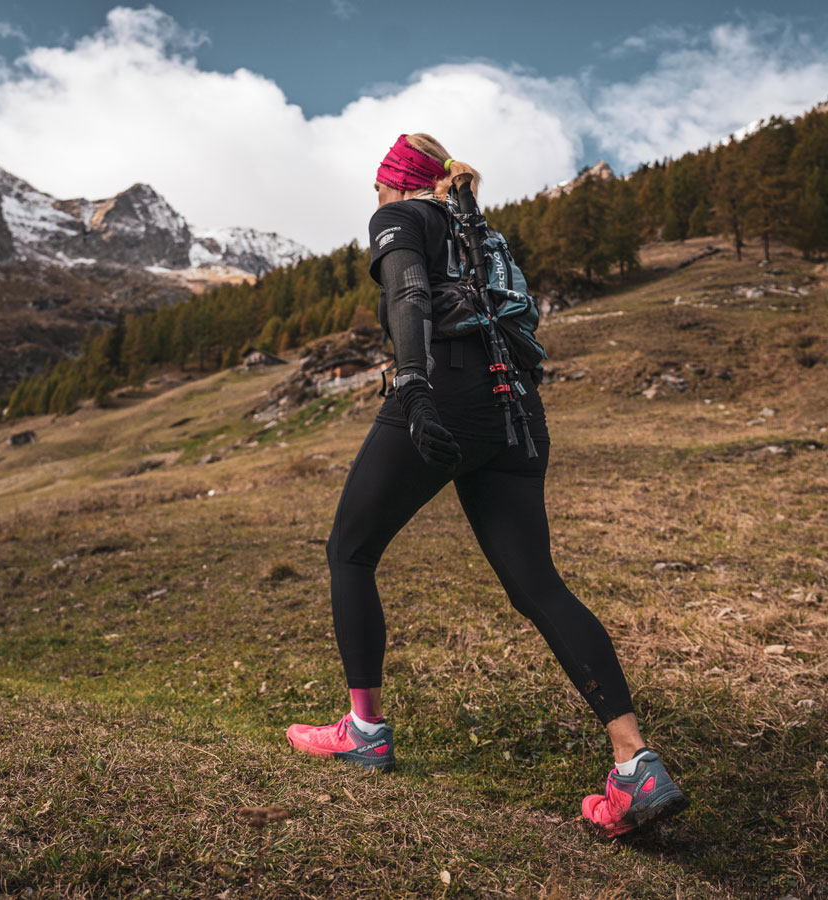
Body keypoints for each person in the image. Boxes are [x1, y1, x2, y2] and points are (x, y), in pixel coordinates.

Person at [284, 133, 688, 836]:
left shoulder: (401, 216)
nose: (372, 198)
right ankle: (634, 763)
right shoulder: (480, 233)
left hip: (448, 390)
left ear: (395, 183)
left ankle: (364, 731)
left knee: (350, 551)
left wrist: (412, 384)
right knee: (538, 584)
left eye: (376, 186)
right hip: (517, 408)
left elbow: (408, 291)